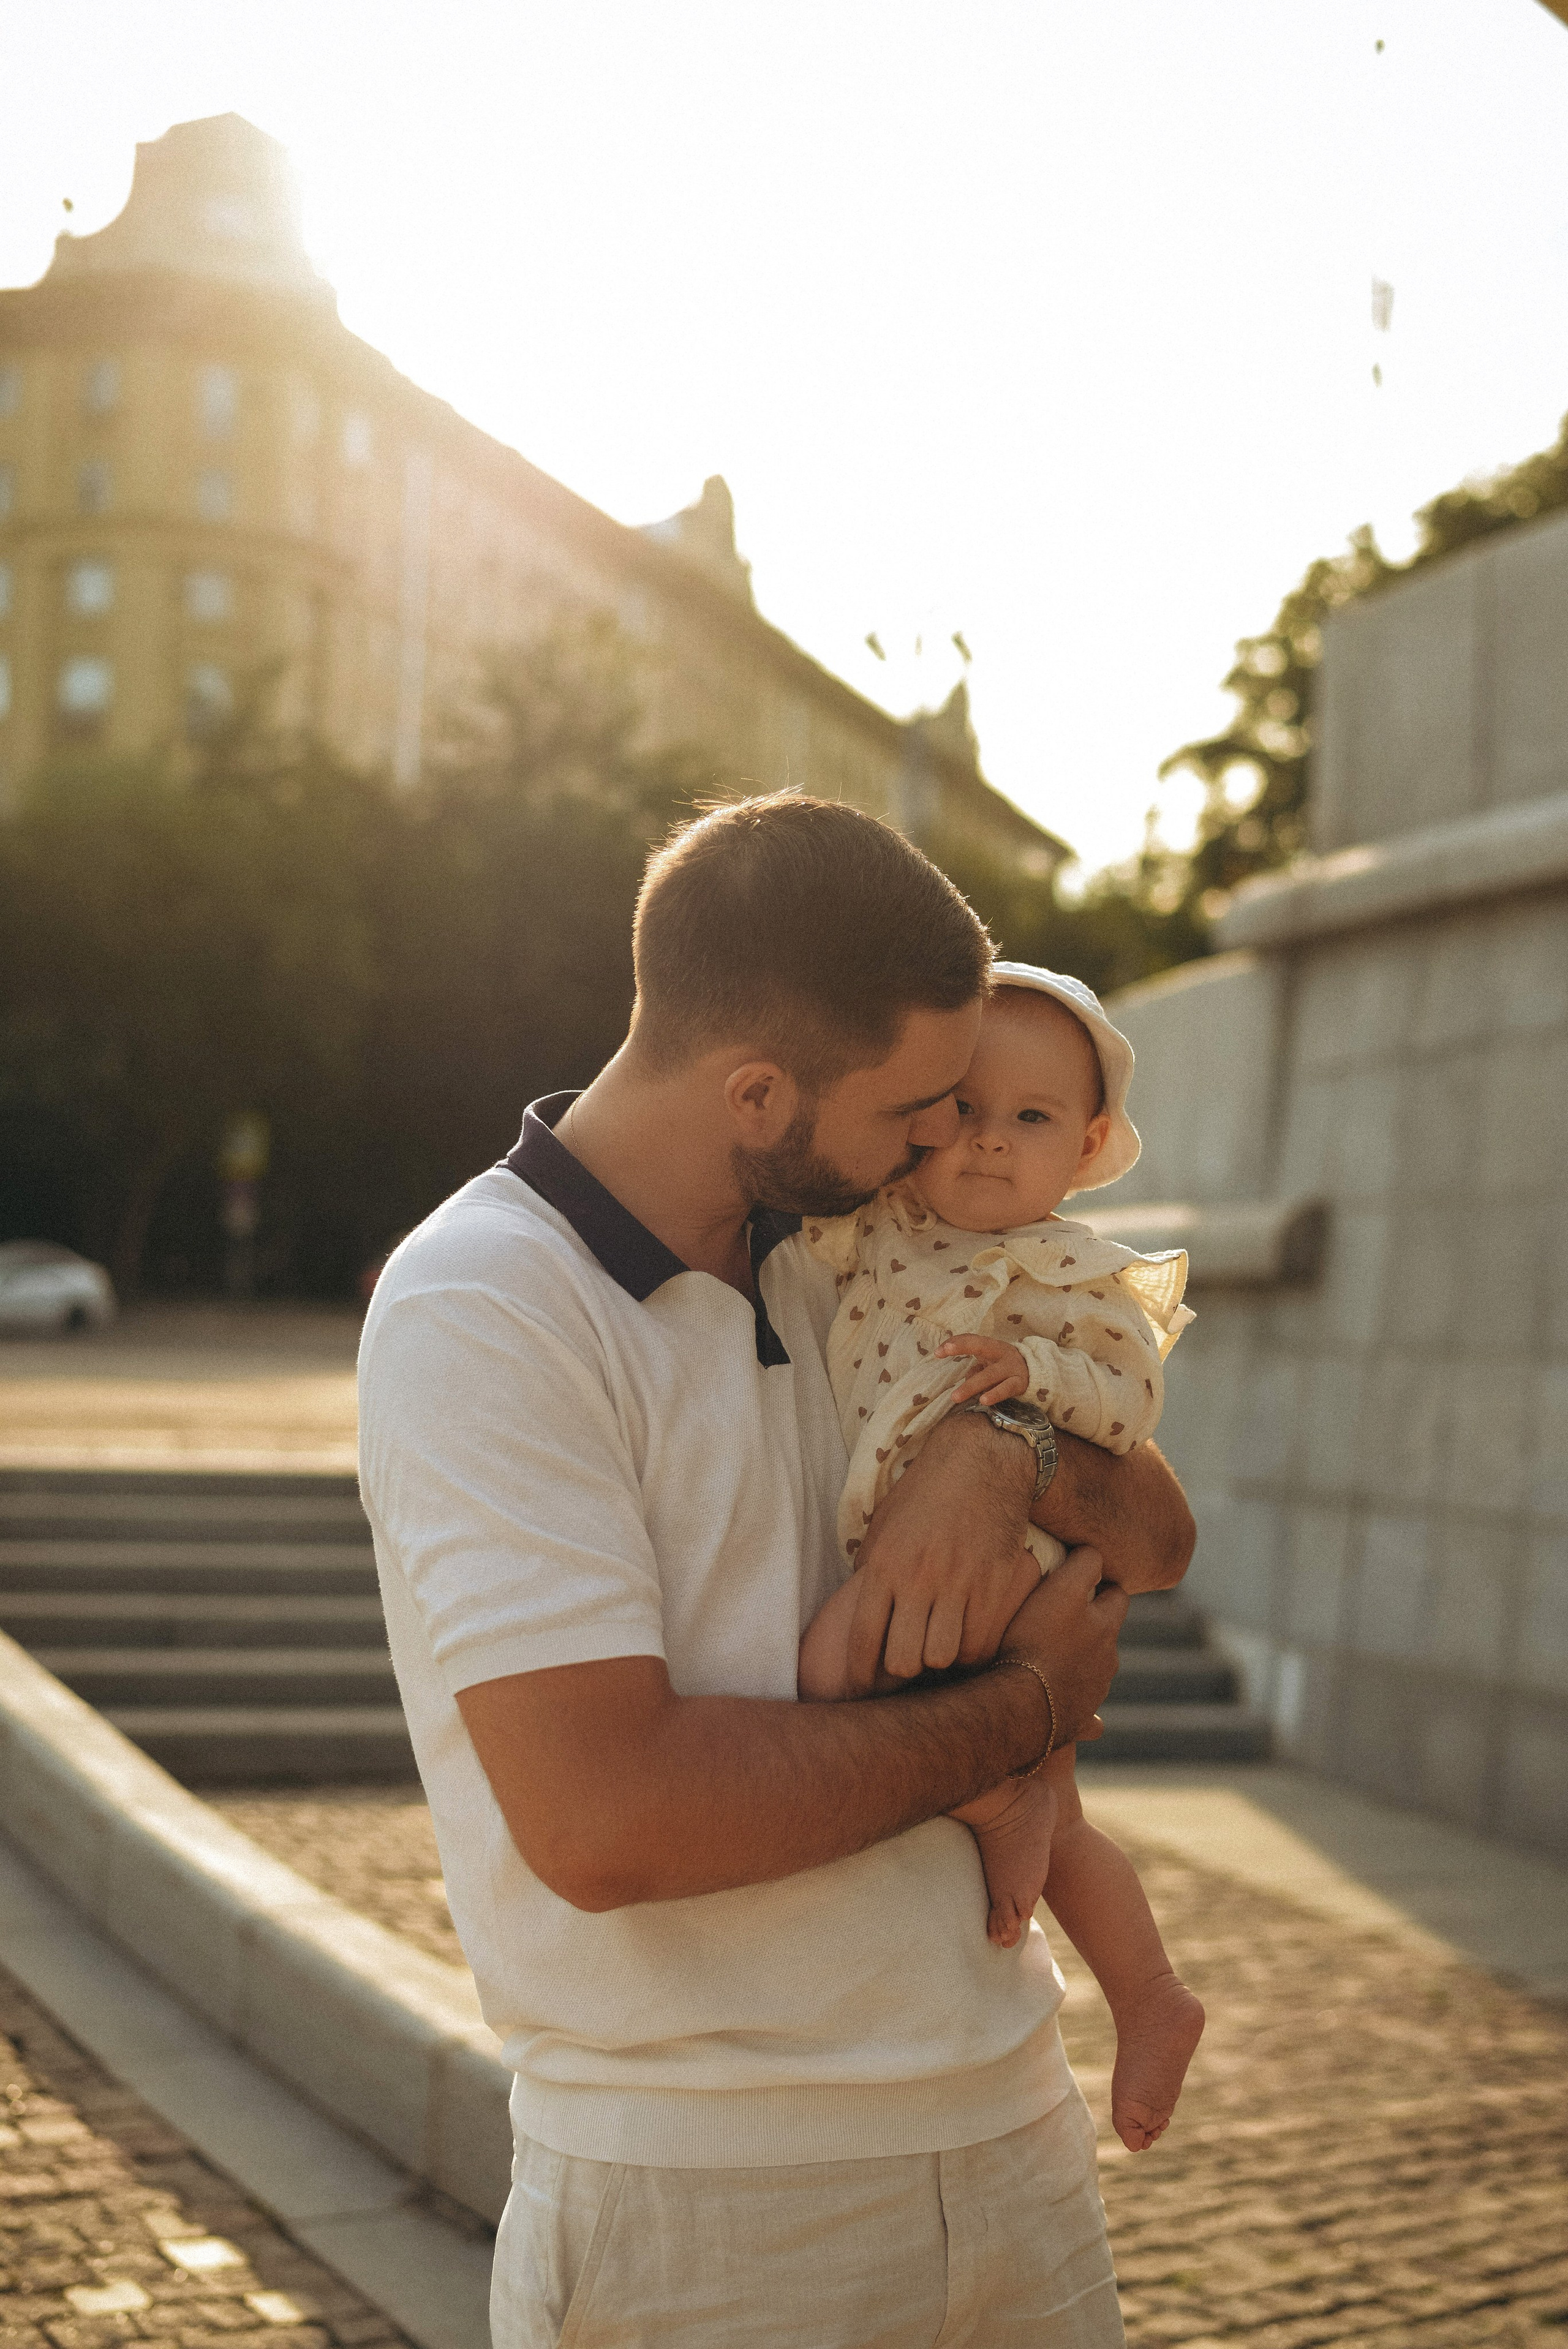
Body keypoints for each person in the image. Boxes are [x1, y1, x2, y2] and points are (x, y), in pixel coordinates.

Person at [358, 794, 1196, 2349]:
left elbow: (1155, 1536)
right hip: (712, 2211)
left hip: (1014, 2137)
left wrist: (998, 1446)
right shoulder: (484, 1304)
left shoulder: (852, 1254)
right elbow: (607, 1821)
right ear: (757, 1093)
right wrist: (1023, 1716)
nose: (948, 1139)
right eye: (916, 1106)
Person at [797, 966, 1204, 2151]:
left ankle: (997, 1793)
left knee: (834, 1670)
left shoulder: (1073, 1276)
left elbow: (1128, 1404)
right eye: (963, 1109)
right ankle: (1151, 1995)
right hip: (910, 1538)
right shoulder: (879, 1229)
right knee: (1064, 1819)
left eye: (1030, 1120)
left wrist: (1037, 1382)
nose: (986, 1144)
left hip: (1009, 1563)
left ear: (1084, 1147)